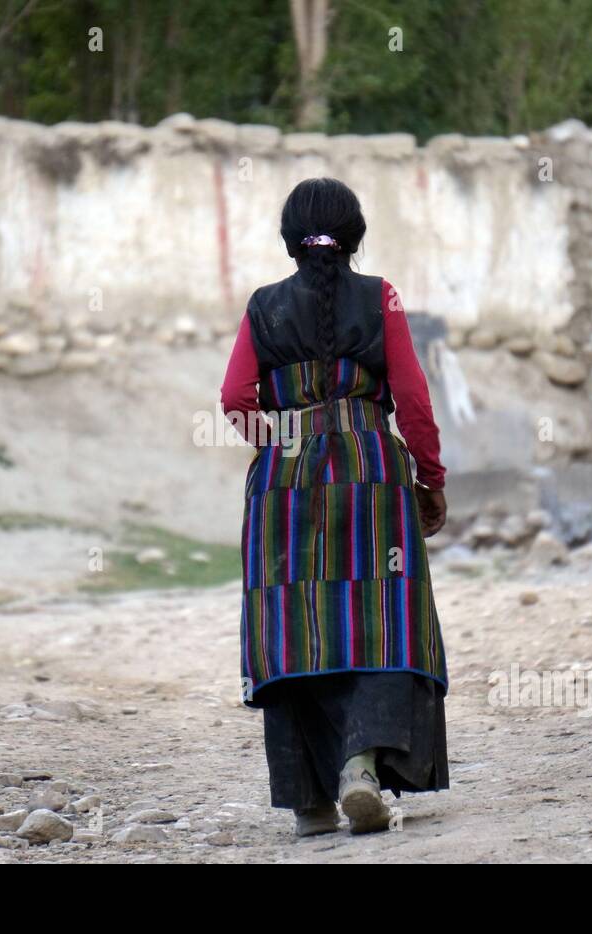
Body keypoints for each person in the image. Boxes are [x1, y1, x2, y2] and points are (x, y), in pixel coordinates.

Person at [219, 177, 450, 837]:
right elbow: (412, 396)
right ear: (355, 236)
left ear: (290, 240)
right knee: (384, 615)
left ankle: (308, 800)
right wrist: (429, 476)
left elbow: (236, 397)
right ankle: (360, 766)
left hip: (282, 492)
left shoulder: (263, 306)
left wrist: (286, 437)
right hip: (371, 474)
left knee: (294, 625)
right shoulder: (382, 298)